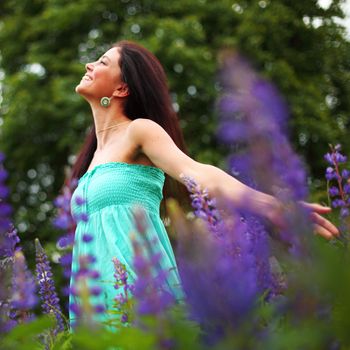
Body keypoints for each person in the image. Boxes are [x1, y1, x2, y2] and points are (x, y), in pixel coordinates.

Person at [68, 40, 339, 326]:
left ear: (121, 89)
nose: (90, 65)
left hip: (140, 294)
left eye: (102, 62)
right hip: (92, 304)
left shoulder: (139, 131)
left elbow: (197, 173)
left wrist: (271, 206)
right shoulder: (92, 160)